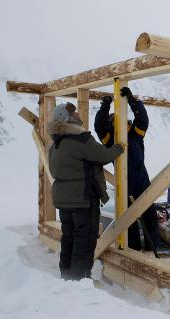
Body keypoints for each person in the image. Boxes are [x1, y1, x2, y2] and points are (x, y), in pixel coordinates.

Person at [47, 102, 125, 280]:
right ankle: (79, 278)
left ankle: (66, 274)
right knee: (85, 238)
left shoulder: (56, 143)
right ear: (66, 119)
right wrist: (119, 147)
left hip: (63, 199)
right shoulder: (80, 139)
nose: (76, 114)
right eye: (73, 113)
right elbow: (103, 155)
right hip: (82, 199)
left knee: (69, 237)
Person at [95, 87, 161, 251]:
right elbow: (99, 126)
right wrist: (105, 107)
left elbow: (143, 120)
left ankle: (153, 250)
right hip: (123, 186)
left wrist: (133, 101)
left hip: (142, 182)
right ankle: (133, 251)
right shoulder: (110, 138)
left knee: (150, 218)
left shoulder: (135, 134)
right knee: (128, 223)